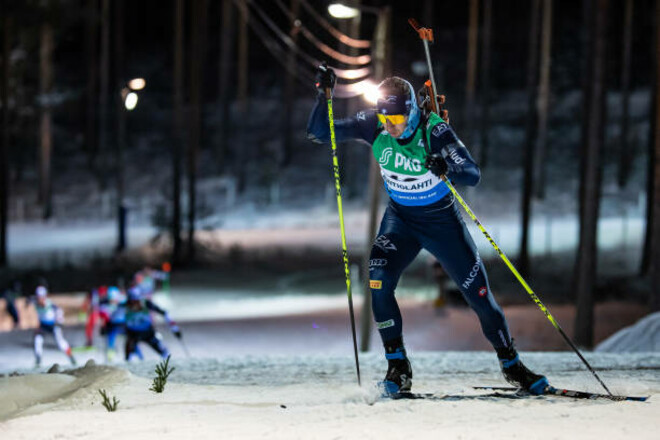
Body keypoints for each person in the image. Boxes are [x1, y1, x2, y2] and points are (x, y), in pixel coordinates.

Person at [307, 66, 548, 395]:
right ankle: (398, 367)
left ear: (411, 113)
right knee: (377, 281)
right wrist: (324, 95)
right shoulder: (375, 124)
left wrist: (447, 167)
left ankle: (513, 366)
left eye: (396, 120)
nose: (390, 127)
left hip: (441, 224)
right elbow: (321, 133)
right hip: (401, 221)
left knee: (478, 296)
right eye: (385, 120)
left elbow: (472, 173)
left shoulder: (434, 131)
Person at [123, 285, 181, 361]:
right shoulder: (123, 306)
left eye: (136, 301)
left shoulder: (146, 303)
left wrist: (174, 328)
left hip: (148, 332)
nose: (134, 304)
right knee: (130, 356)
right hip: (133, 334)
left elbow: (164, 313)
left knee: (164, 352)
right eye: (132, 302)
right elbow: (112, 316)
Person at [30, 285, 76, 367]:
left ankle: (71, 357)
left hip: (53, 325)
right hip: (43, 325)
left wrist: (59, 322)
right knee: (38, 340)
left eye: (41, 297)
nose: (40, 299)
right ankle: (38, 360)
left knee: (60, 343)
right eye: (38, 297)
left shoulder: (49, 304)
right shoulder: (36, 302)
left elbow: (58, 311)